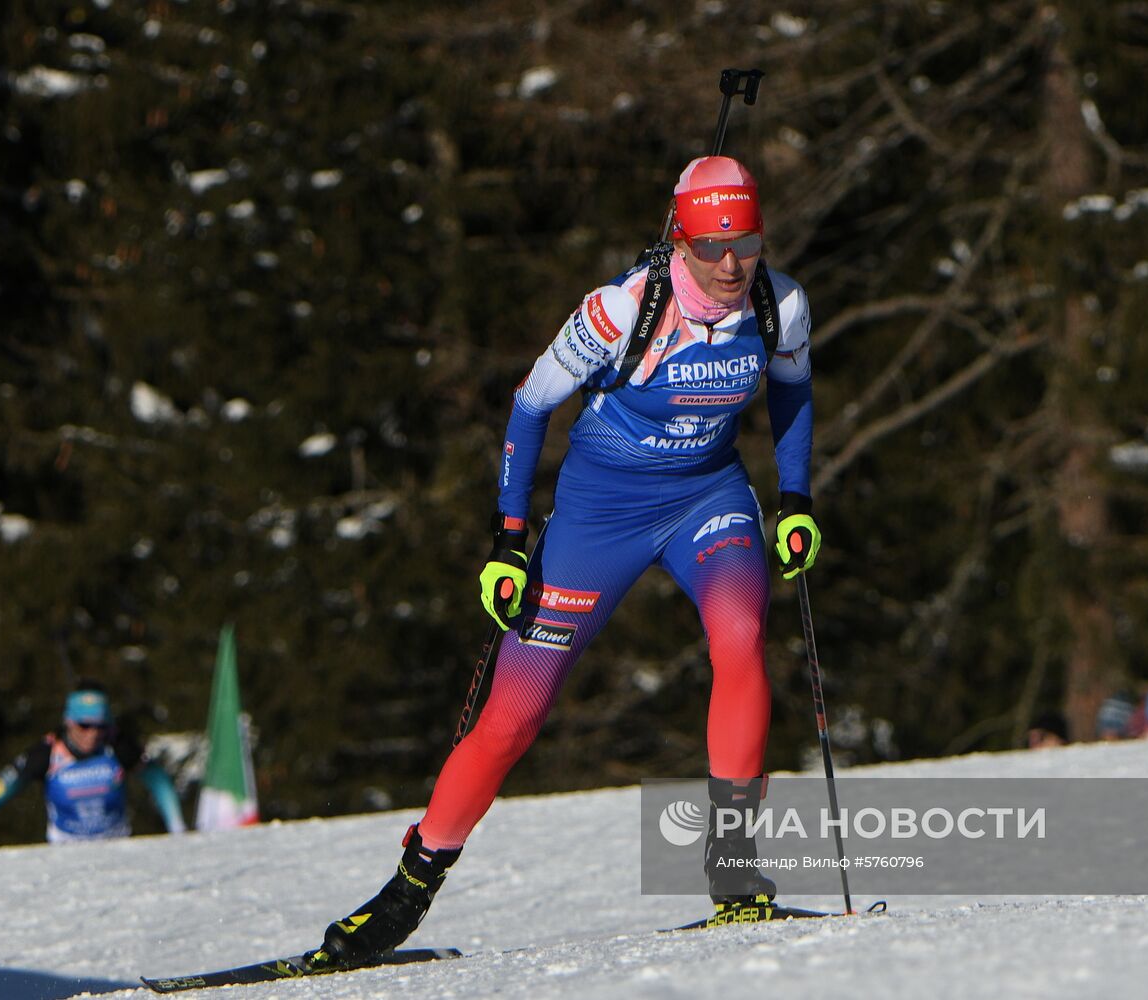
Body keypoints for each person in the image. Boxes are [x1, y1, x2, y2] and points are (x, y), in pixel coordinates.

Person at [318, 155, 818, 964]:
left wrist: (794, 501)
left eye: (747, 242)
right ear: (679, 237)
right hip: (598, 518)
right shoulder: (623, 308)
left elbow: (792, 392)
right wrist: (508, 541)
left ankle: (734, 873)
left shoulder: (778, 300)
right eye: (712, 245)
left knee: (738, 637)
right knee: (511, 721)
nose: (732, 265)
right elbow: (529, 404)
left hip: (707, 500)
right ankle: (403, 896)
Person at [0, 682, 186, 844]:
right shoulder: (45, 754)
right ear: (68, 722)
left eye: (99, 726)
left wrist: (178, 831)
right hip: (65, 853)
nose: (93, 734)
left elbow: (159, 783)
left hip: (118, 850)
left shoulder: (119, 747)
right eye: (84, 726)